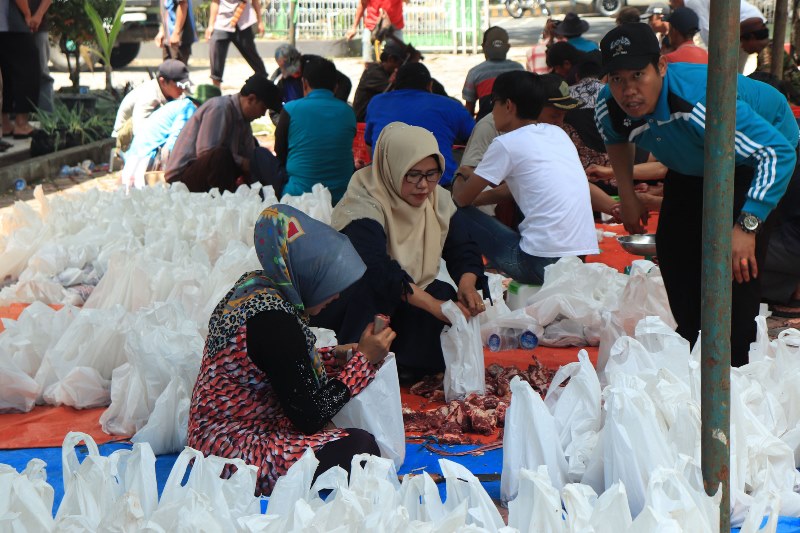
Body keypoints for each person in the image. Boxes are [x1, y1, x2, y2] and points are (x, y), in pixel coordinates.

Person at [595, 23, 798, 366]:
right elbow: (615, 140)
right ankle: (693, 345)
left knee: (735, 266)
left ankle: (735, 367)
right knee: (674, 250)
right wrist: (626, 195)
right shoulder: (610, 105)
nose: (628, 90)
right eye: (617, 79)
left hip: (754, 159)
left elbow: (776, 153)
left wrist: (747, 227)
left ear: (660, 67)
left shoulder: (700, 102)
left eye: (637, 75)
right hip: (694, 163)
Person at [188, 204, 395, 496]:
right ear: (305, 270)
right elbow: (309, 416)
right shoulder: (275, 322)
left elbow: (271, 366)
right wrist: (362, 363)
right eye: (327, 279)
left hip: (213, 435)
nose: (335, 295)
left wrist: (333, 356)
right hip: (230, 452)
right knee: (361, 449)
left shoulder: (258, 287)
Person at [312, 122, 486, 380]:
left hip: (406, 293)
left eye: (432, 174)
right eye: (412, 174)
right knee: (373, 293)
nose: (423, 185)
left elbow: (463, 247)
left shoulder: (438, 199)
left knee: (444, 292)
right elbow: (376, 269)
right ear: (391, 168)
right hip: (358, 300)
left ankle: (410, 367)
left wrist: (468, 284)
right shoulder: (364, 201)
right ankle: (360, 366)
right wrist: (434, 306)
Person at [452, 70, 599, 285]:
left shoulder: (506, 143)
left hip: (538, 265)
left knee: (454, 211)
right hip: (578, 259)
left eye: (494, 103)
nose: (492, 112)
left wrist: (460, 173)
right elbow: (511, 191)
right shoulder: (558, 134)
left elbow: (461, 199)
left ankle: (461, 273)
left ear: (509, 105)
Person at [166, 74, 286, 194]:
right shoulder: (220, 108)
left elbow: (250, 158)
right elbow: (206, 153)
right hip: (181, 179)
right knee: (220, 157)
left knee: (258, 155)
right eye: (263, 108)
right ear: (251, 99)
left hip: (204, 173)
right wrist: (242, 163)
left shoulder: (244, 122)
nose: (262, 114)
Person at [364, 63, 474, 186]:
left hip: (387, 186)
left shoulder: (377, 102)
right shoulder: (450, 106)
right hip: (437, 187)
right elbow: (475, 138)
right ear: (430, 85)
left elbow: (369, 143)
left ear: (395, 84)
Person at [274, 56, 356, 203]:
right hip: (340, 198)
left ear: (304, 83)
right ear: (335, 87)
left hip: (297, 197)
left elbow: (280, 152)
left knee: (259, 156)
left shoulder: (290, 109)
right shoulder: (348, 112)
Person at [120, 85, 220, 189]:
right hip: (143, 165)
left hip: (135, 160)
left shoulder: (180, 105)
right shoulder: (189, 110)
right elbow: (173, 147)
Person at [112, 59, 191, 152]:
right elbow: (139, 131)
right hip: (128, 139)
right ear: (163, 82)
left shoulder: (172, 92)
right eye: (179, 86)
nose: (182, 90)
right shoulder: (149, 96)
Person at [462, 26, 524, 121]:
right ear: (507, 47)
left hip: (486, 124)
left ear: (483, 47)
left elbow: (469, 110)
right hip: (515, 124)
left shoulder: (475, 73)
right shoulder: (519, 69)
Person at [0, 0, 40, 139]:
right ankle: (21, 123)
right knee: (28, 71)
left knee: (6, 74)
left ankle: (5, 123)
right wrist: (27, 13)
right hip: (12, 23)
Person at [352, 38, 418, 122]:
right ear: (391, 59)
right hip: (363, 119)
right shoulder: (374, 72)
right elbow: (394, 93)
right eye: (400, 64)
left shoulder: (385, 71)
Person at [205, 0, 267, 88]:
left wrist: (260, 21)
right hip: (222, 23)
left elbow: (255, 1)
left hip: (243, 22)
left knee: (256, 62)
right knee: (216, 64)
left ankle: (264, 88)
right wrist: (211, 25)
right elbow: (215, 2)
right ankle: (216, 92)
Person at [345, 0, 404, 65]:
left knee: (398, 61)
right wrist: (354, 27)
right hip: (372, 26)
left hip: (394, 27)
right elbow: (362, 5)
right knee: (368, 62)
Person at [155, 0, 197, 64]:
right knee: (166, 70)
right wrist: (162, 30)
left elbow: (183, 4)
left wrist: (176, 33)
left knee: (177, 70)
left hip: (178, 37)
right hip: (168, 37)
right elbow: (166, 7)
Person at [30, 0, 53, 112]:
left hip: (38, 25)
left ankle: (46, 117)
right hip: (12, 25)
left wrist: (38, 15)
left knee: (42, 72)